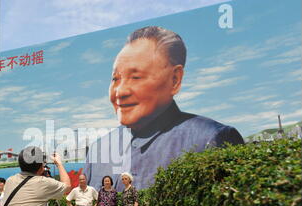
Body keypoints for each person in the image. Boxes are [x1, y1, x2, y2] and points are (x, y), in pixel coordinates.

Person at [84, 26, 244, 192]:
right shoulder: (99, 149)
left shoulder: (209, 139)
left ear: (174, 79)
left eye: (136, 77)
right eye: (115, 79)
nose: (120, 91)